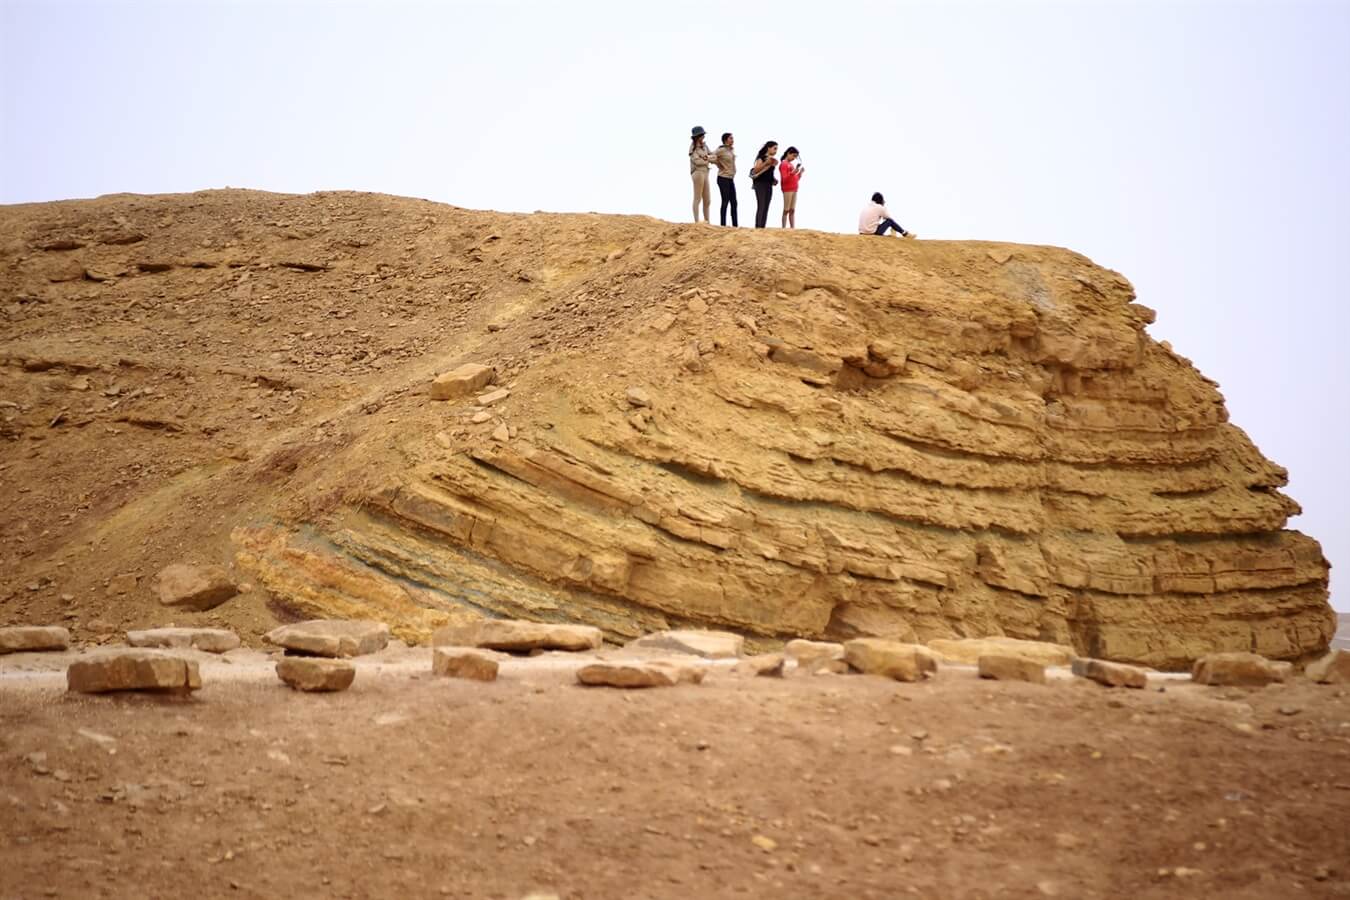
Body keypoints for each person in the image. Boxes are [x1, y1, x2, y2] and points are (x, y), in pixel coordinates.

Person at [750, 140, 778, 229]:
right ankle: (758, 226)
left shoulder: (773, 160)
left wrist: (774, 180)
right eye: (774, 148)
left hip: (768, 184)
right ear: (768, 148)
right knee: (761, 205)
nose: (776, 151)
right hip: (760, 183)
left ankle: (762, 227)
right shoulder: (761, 158)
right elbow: (755, 170)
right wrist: (766, 163)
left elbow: (769, 173)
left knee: (766, 206)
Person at [689, 127, 714, 223]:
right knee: (697, 198)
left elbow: (714, 156)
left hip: (706, 172)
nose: (703, 136)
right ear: (697, 136)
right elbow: (697, 162)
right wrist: (707, 159)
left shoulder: (705, 146)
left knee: (707, 199)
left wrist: (706, 157)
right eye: (702, 134)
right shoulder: (693, 148)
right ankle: (697, 221)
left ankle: (707, 221)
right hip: (697, 172)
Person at [715, 133, 738, 227]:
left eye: (733, 138)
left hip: (730, 178)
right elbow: (711, 156)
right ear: (725, 140)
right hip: (723, 178)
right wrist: (718, 164)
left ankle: (735, 225)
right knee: (725, 201)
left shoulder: (731, 150)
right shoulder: (721, 150)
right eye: (731, 138)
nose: (732, 140)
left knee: (734, 202)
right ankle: (723, 224)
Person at [778, 147, 803, 228]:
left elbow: (795, 178)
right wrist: (793, 173)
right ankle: (784, 227)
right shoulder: (783, 164)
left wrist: (800, 173)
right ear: (788, 153)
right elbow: (784, 178)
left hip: (794, 188)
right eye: (793, 156)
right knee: (786, 209)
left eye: (795, 157)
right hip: (787, 188)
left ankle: (792, 227)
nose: (794, 158)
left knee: (792, 210)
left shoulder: (791, 164)